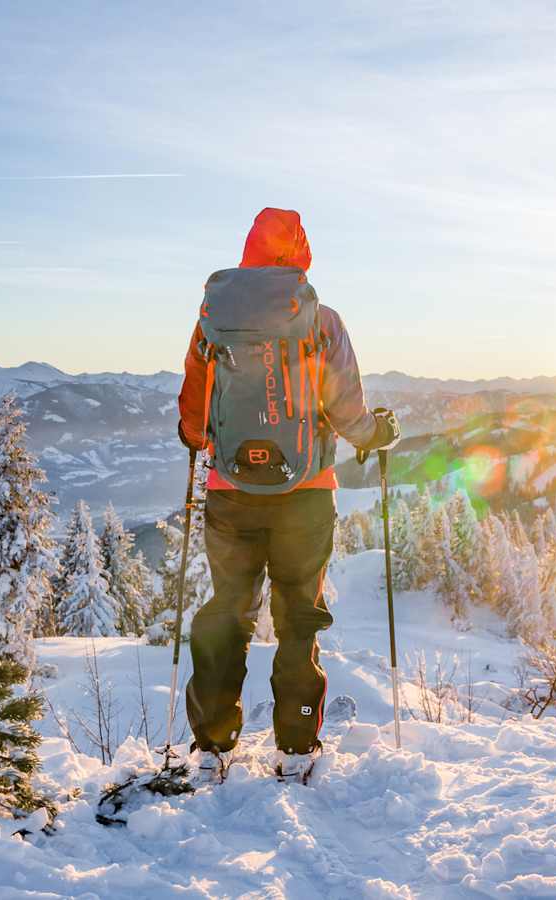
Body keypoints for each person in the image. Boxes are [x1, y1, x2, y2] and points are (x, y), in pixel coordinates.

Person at [175, 208, 398, 781]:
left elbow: (194, 420)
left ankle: (213, 746)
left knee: (228, 611)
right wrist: (379, 434)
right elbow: (347, 411)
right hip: (305, 495)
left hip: (230, 493)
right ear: (301, 254)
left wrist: (204, 441)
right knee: (299, 616)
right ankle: (296, 745)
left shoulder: (214, 321)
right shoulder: (322, 321)